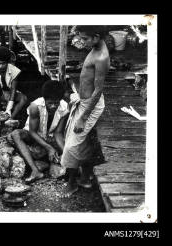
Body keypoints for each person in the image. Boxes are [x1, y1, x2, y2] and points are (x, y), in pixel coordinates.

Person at [60, 26, 110, 197]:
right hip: (84, 101)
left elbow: (98, 91)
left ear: (96, 37)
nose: (82, 42)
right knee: (79, 141)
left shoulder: (101, 56)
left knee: (71, 146)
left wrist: (82, 118)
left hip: (90, 105)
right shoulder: (96, 47)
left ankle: (72, 183)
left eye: (85, 39)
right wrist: (77, 29)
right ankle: (84, 177)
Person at [7, 80, 70, 184]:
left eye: (56, 103)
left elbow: (58, 133)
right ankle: (35, 170)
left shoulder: (64, 108)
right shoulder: (35, 106)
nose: (53, 106)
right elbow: (32, 132)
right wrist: (49, 148)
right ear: (44, 100)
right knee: (15, 134)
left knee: (67, 148)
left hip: (50, 138)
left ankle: (55, 160)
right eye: (50, 103)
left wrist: (66, 154)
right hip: (33, 136)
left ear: (60, 100)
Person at [0, 46, 28, 127]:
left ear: (7, 62)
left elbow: (13, 90)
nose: (1, 66)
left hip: (9, 93)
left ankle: (11, 117)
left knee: (24, 99)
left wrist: (8, 110)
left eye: (3, 63)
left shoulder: (14, 71)